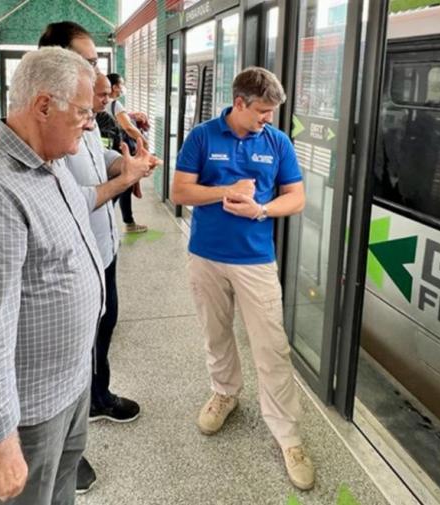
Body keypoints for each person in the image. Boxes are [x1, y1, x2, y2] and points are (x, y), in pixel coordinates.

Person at [0, 47, 143, 505]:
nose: (92, 124)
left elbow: (77, 206)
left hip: (69, 386)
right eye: (84, 112)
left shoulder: (47, 162)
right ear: (44, 105)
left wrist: (123, 178)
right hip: (27, 411)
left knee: (61, 490)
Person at [169, 67, 315, 490]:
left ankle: (288, 435)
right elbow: (180, 192)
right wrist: (228, 191)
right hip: (206, 258)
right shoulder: (202, 137)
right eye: (263, 111)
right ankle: (225, 393)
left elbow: (297, 197)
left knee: (272, 346)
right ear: (239, 103)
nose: (268, 118)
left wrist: (263, 209)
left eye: (272, 112)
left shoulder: (277, 142)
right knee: (216, 334)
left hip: (255, 261)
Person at [37, 20, 160, 495]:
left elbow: (98, 153)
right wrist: (123, 182)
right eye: (88, 60)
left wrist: (123, 163)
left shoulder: (83, 113)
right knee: (72, 349)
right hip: (70, 258)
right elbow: (69, 198)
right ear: (57, 63)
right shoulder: (50, 121)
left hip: (101, 248)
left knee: (104, 326)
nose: (98, 70)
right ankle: (70, 449)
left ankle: (99, 397)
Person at [107, 73, 149, 234]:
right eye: (121, 84)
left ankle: (129, 222)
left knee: (124, 187)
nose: (123, 87)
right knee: (121, 187)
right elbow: (128, 128)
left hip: (108, 149)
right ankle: (113, 223)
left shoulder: (100, 104)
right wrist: (143, 142)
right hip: (119, 151)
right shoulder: (115, 105)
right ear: (115, 86)